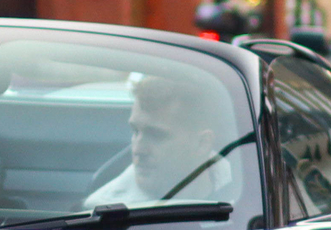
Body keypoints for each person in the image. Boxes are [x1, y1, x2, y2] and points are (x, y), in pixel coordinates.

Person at [87, 71, 236, 207]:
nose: (138, 149)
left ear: (202, 144)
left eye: (156, 136)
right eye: (135, 131)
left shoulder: (246, 192)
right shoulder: (105, 216)